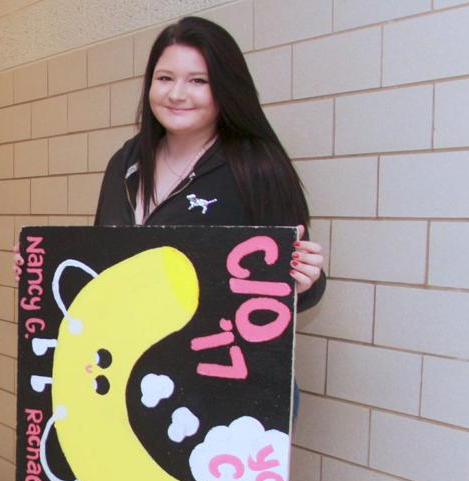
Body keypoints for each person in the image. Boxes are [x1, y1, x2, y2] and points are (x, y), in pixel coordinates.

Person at [94, 16, 325, 306]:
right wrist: (40, 265)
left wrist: (305, 282)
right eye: (165, 78)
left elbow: (295, 290)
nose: (176, 94)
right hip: (130, 347)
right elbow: (98, 263)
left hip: (213, 349)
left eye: (198, 81)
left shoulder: (257, 167)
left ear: (225, 88)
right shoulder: (124, 163)